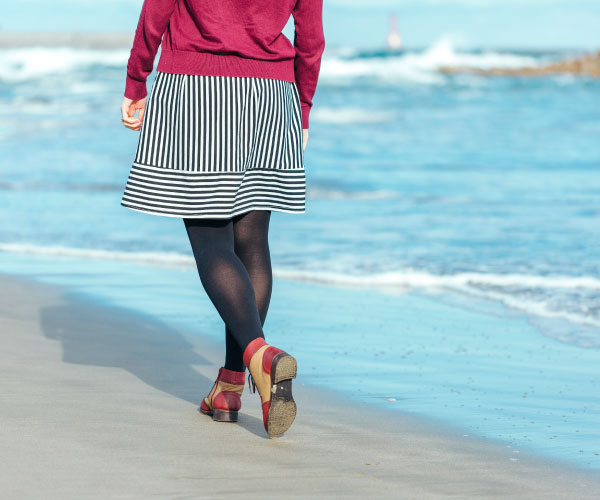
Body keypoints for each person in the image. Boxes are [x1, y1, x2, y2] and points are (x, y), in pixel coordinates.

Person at [119, 0, 325, 437]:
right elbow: (310, 39)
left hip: (196, 89)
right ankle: (231, 385)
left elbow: (156, 11)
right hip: (271, 93)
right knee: (252, 241)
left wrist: (136, 80)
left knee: (212, 241)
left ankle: (259, 353)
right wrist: (302, 107)